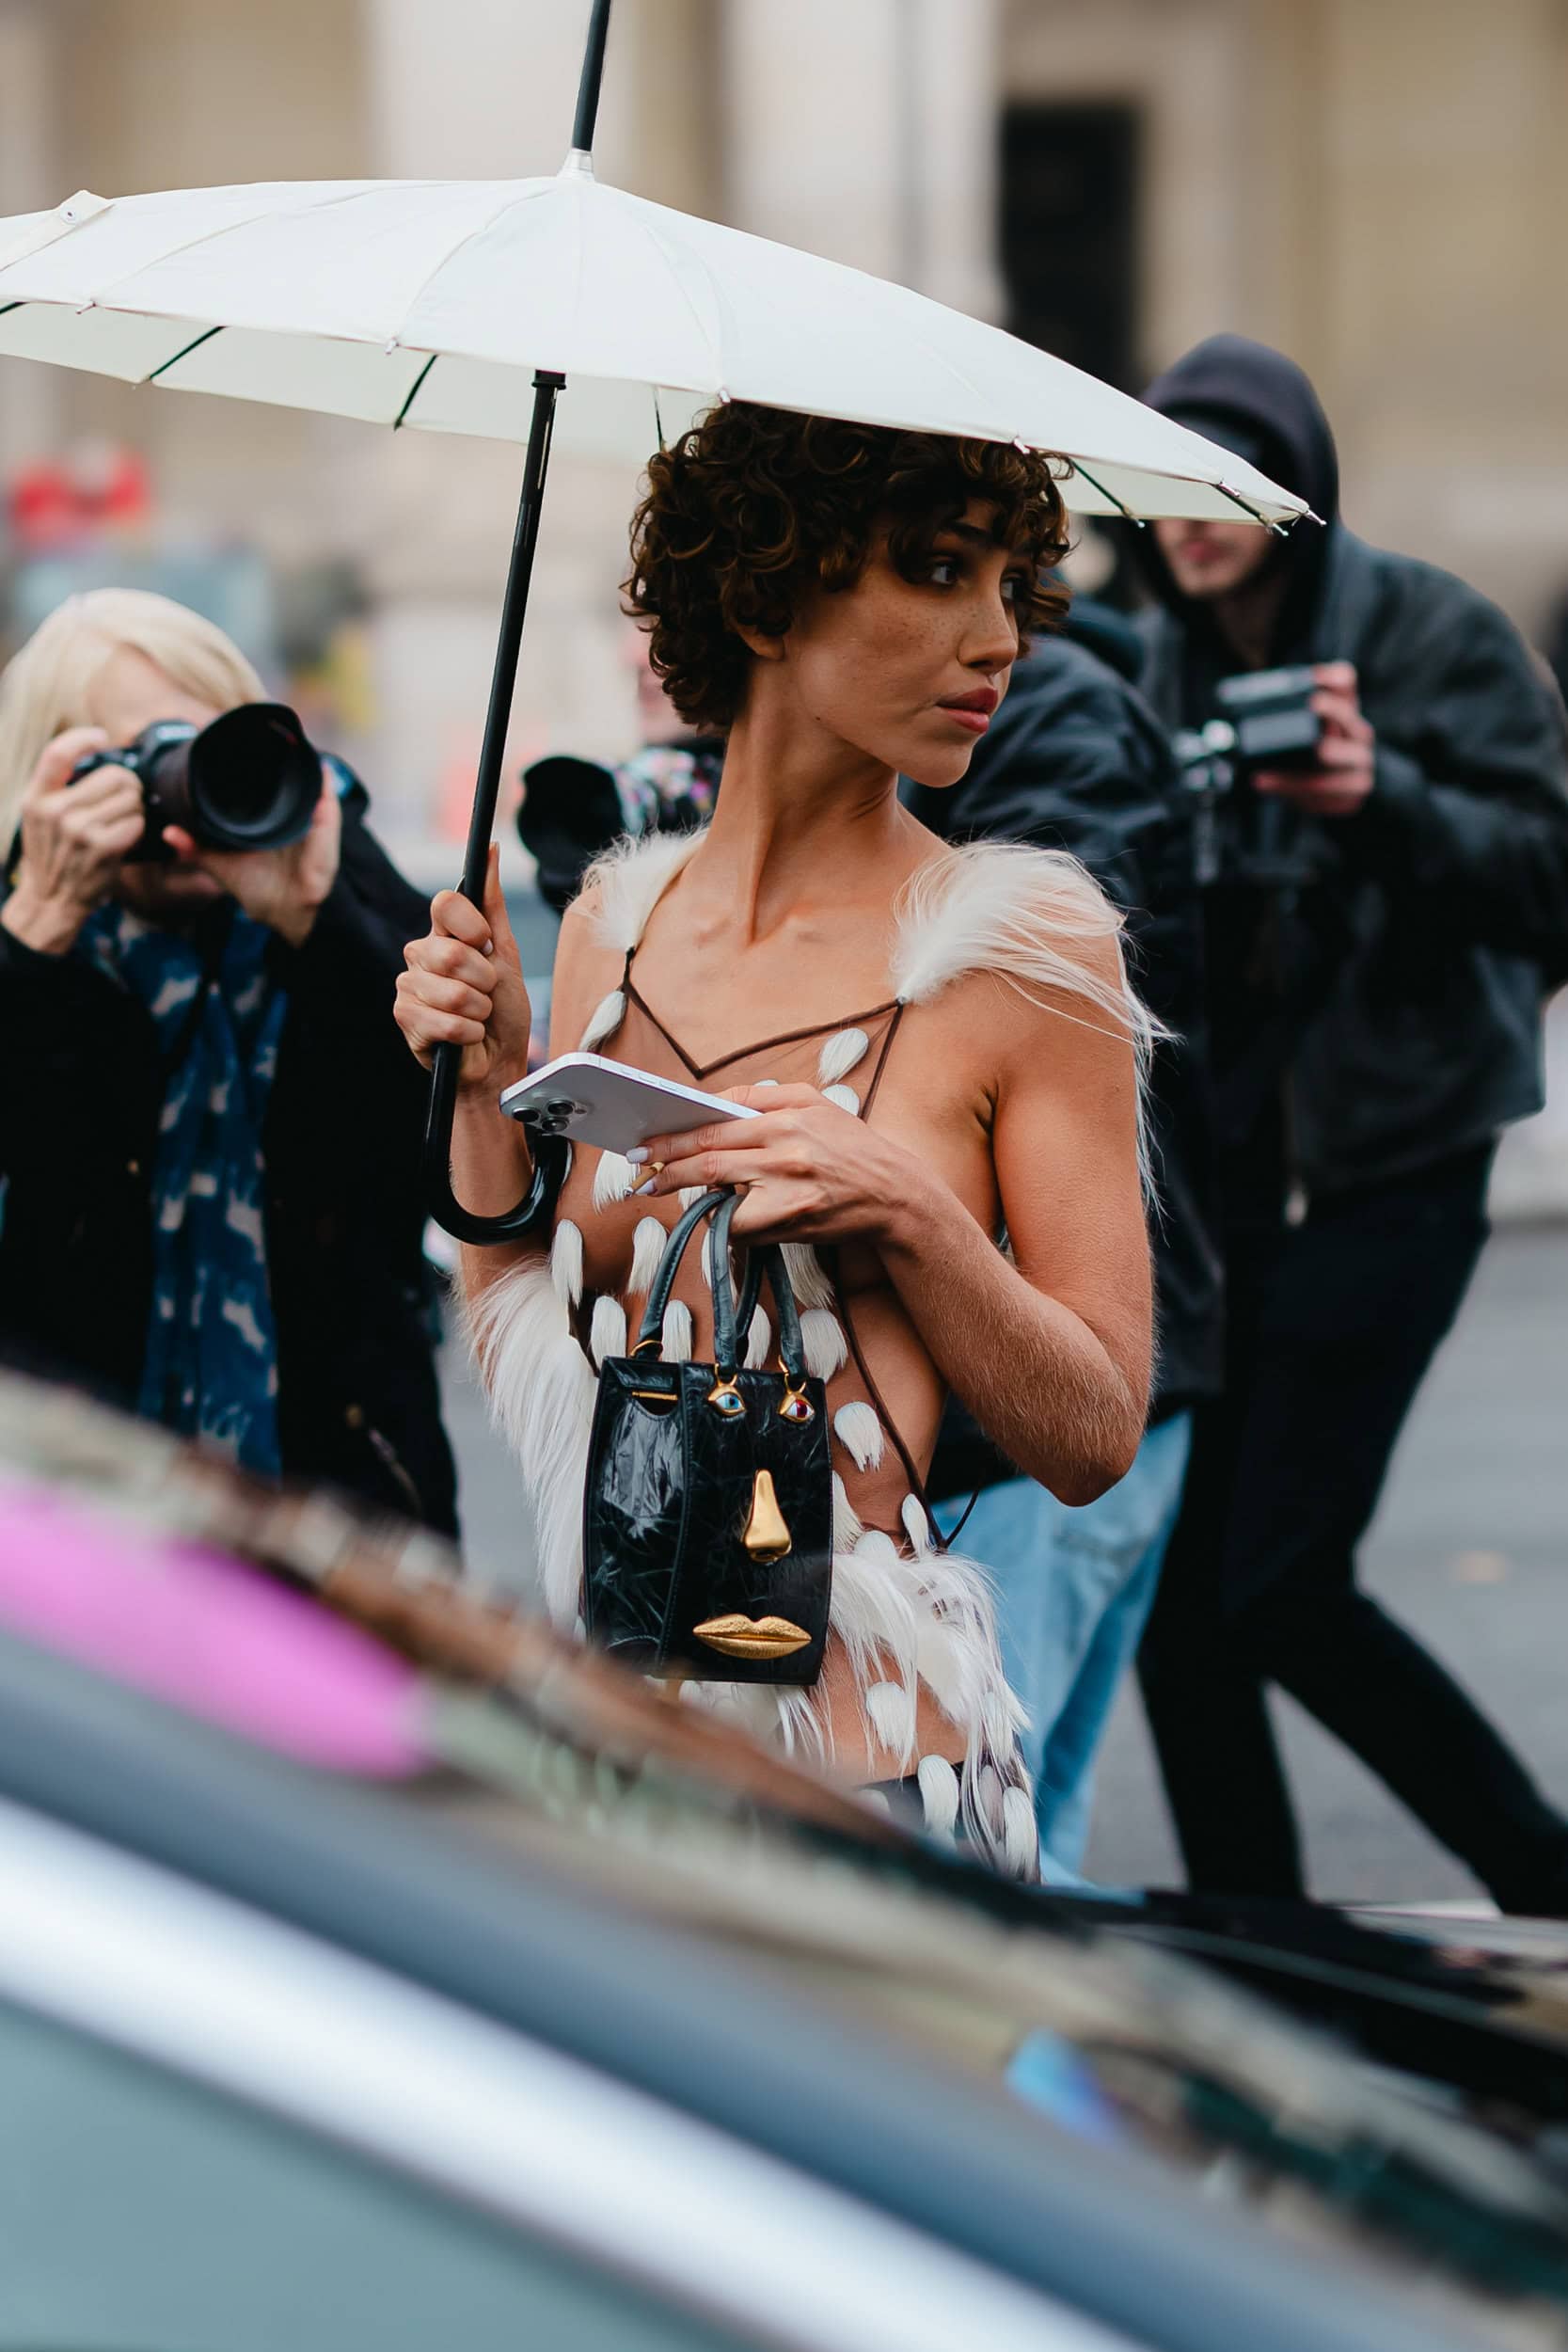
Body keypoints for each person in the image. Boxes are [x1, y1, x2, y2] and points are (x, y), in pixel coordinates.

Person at [396, 402, 1155, 1876]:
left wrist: (910, 1216)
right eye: (938, 570)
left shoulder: (1026, 944)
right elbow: (541, 1356)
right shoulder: (615, 921)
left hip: (878, 1797)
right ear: (761, 588)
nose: (996, 639)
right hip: (617, 1779)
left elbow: (1093, 1435)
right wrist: (489, 1086)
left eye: (1009, 586)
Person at [1132, 334, 1568, 1909]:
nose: (1195, 516)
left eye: (1229, 478)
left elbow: (1547, 881)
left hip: (1395, 1160)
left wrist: (1375, 794)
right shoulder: (1144, 661)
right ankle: (1258, 1930)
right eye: (1167, 482)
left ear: (1297, 484)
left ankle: (1538, 1871)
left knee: (1279, 1581)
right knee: (1182, 1609)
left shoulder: (1427, 630)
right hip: (1225, 1187)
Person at [0, 589, 458, 1533]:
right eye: (136, 756)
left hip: (338, 1510)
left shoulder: (337, 872)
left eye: (209, 744)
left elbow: (442, 1154)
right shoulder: (22, 932)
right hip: (66, 1517)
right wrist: (35, 935)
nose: (182, 783)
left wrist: (314, 926)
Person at [906, 596, 1215, 1876]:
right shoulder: (1022, 720)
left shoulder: (1058, 714)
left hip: (1048, 1396)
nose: (973, 635)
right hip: (1065, 1383)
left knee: (989, 1860)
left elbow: (1075, 936)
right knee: (1033, 1852)